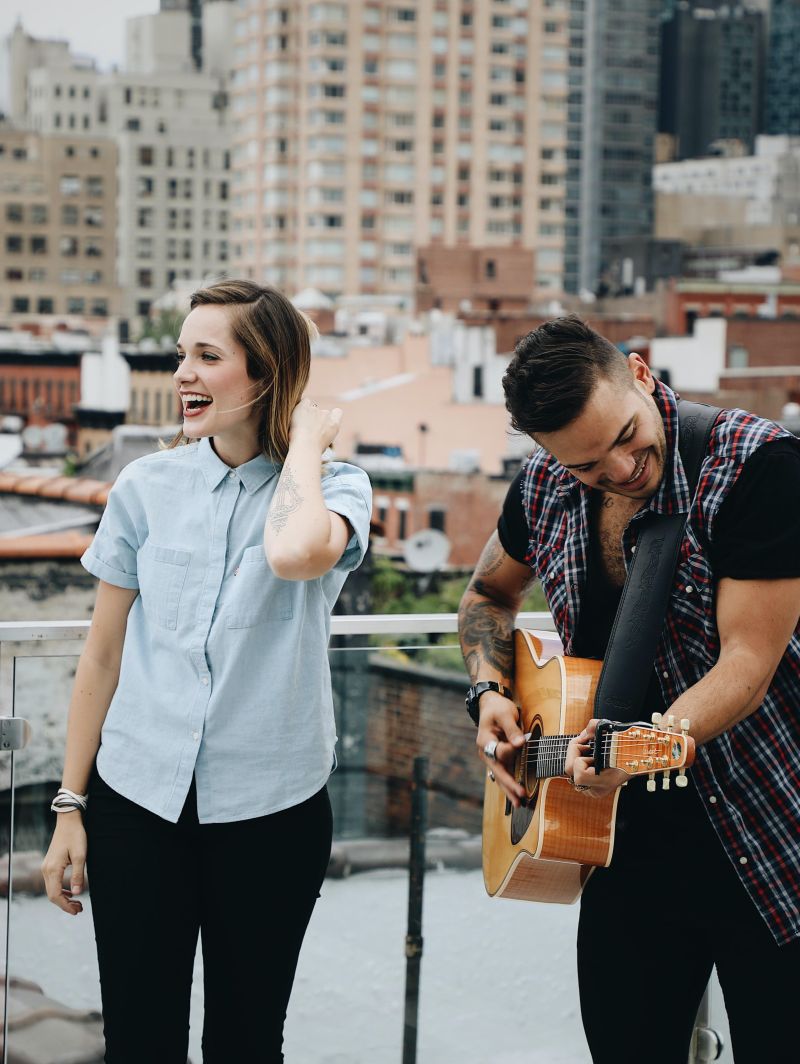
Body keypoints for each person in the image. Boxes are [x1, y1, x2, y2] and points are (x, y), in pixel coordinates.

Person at [41, 280, 372, 1063]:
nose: (183, 373)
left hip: (271, 816)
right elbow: (103, 654)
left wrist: (310, 440)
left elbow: (294, 553)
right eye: (181, 354)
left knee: (247, 1043)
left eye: (207, 356)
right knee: (138, 1040)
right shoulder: (146, 487)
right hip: (137, 802)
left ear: (264, 376)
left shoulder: (335, 489)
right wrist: (68, 807)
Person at [458, 316, 800, 1064]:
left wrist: (634, 750)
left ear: (641, 374)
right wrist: (488, 695)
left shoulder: (756, 465)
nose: (618, 469)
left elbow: (749, 663)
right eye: (587, 464)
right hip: (616, 845)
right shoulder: (546, 483)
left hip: (771, 831)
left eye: (624, 436)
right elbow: (487, 593)